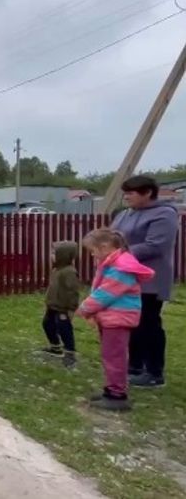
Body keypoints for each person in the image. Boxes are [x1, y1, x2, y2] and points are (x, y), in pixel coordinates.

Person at [76, 228, 155, 412]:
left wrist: (86, 307)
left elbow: (106, 293)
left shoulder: (121, 267)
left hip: (118, 318)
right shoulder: (115, 263)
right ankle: (111, 390)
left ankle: (117, 395)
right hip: (112, 317)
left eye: (93, 251)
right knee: (110, 355)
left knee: (114, 357)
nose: (93, 255)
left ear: (104, 247)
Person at [111, 175, 178, 388]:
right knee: (130, 323)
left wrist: (119, 253)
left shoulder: (164, 214)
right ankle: (135, 365)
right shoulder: (125, 214)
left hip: (149, 279)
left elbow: (155, 245)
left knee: (148, 324)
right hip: (124, 277)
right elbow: (112, 236)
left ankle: (154, 372)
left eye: (130, 193)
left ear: (147, 193)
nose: (126, 197)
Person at [40, 241, 81, 369]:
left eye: (54, 253)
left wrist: (71, 309)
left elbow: (73, 291)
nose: (51, 255)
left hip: (63, 308)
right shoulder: (56, 270)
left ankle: (70, 353)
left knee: (64, 329)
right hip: (52, 306)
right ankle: (55, 347)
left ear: (63, 255)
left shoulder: (69, 272)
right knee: (47, 324)